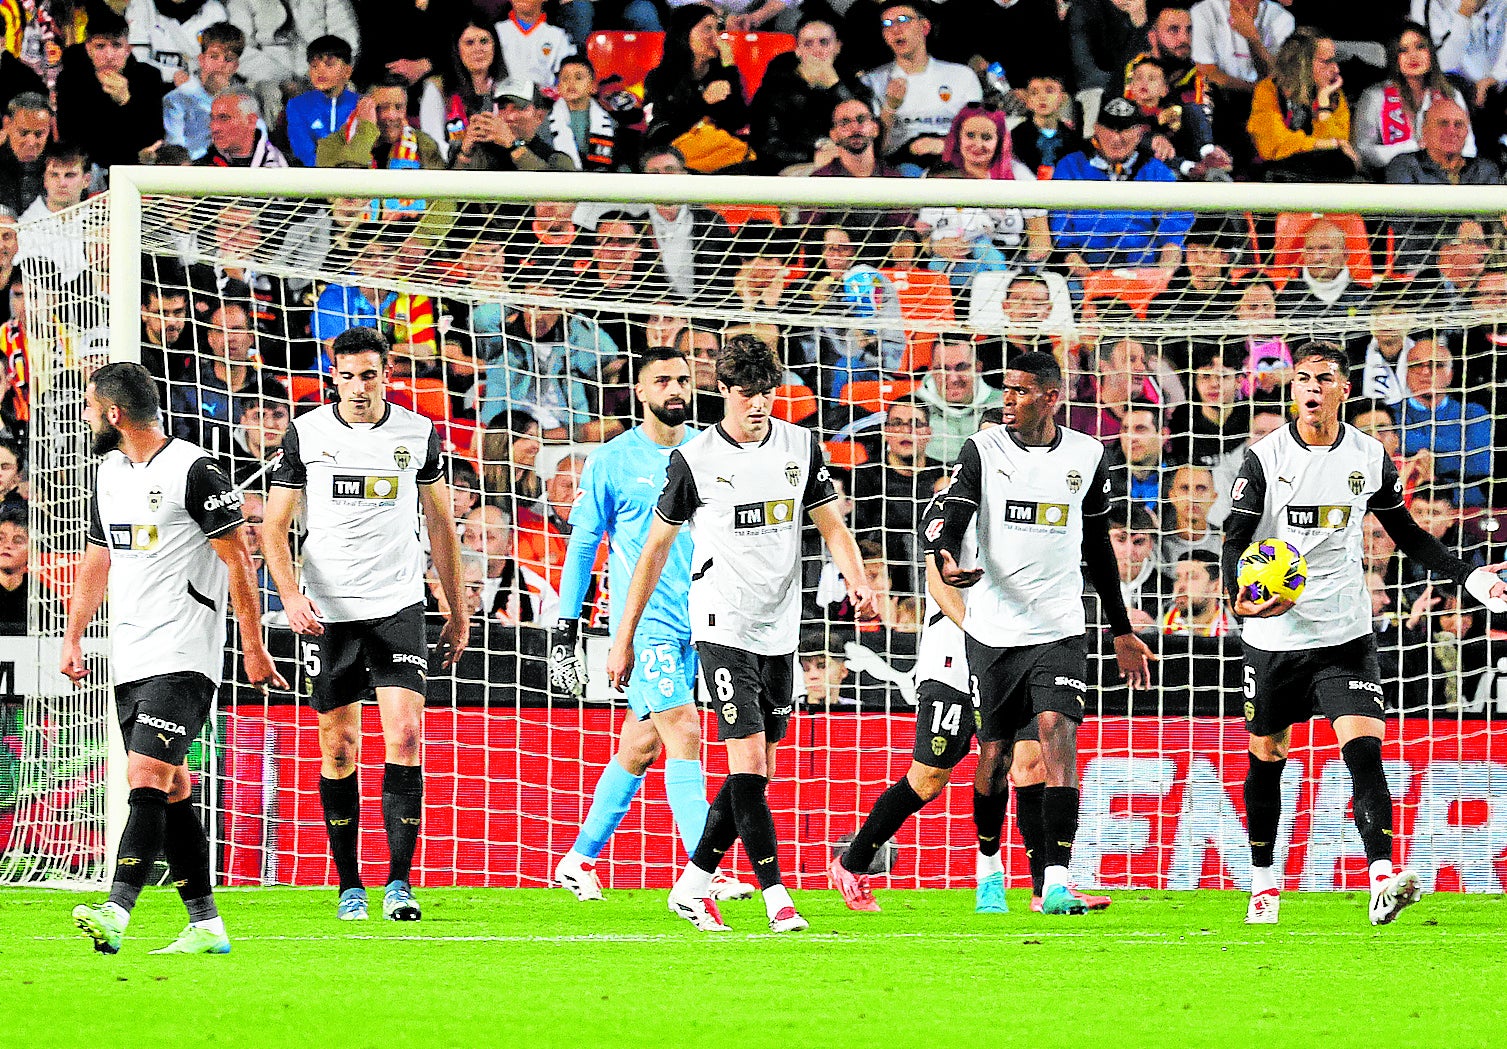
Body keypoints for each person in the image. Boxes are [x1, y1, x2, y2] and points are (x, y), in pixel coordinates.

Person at [1222, 340, 1507, 926]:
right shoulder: (1265, 457)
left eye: (1324, 379)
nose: (1311, 388)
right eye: (1302, 378)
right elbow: (1234, 539)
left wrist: (1467, 573)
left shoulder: (1369, 455)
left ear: (1344, 390)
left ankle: (1382, 878)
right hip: (1275, 635)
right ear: (1292, 387)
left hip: (1345, 631)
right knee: (1267, 757)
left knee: (1365, 752)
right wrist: (1243, 600)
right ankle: (1264, 884)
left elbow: (1406, 533)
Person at [604, 334, 873, 933]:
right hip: (720, 621)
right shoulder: (695, 460)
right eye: (747, 393)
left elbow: (832, 526)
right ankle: (778, 898)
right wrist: (622, 637)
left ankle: (692, 883)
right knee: (747, 760)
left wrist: (859, 581)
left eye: (768, 393)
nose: (759, 405)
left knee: (757, 773)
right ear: (723, 391)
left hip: (779, 625)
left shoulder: (801, 446)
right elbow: (652, 552)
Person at [63, 362, 285, 955]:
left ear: (113, 414)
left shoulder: (194, 469)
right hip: (130, 651)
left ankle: (116, 911)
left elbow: (238, 558)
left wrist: (254, 647)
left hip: (186, 649)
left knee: (146, 776)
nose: (86, 416)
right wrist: (74, 634)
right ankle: (206, 924)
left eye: (89, 406)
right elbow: (97, 557)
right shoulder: (107, 473)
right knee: (176, 786)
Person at [928, 350, 1154, 915]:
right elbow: (954, 511)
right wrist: (946, 555)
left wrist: (1121, 629)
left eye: (1018, 392)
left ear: (1050, 397)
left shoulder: (1087, 455)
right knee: (997, 753)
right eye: (1003, 390)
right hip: (993, 626)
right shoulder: (982, 449)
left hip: (1058, 625)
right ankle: (987, 868)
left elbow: (1096, 545)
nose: (1006, 400)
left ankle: (1055, 879)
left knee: (1056, 731)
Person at [262, 327, 468, 922]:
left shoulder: (418, 433)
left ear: (387, 373)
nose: (358, 387)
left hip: (398, 604)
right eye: (347, 375)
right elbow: (275, 528)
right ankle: (351, 883)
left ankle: (399, 883)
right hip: (328, 613)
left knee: (405, 737)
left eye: (369, 375)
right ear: (333, 376)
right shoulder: (305, 434)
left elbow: (442, 527)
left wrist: (455, 607)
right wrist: (291, 595)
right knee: (340, 746)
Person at [549, 348, 753, 903]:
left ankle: (578, 859)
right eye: (662, 380)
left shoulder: (713, 451)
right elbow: (585, 543)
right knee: (685, 732)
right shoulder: (613, 461)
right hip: (648, 626)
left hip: (708, 619)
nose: (675, 389)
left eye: (684, 379)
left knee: (640, 746)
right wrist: (566, 629)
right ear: (639, 392)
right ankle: (703, 871)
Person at [1049, 97, 1193, 274]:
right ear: (1096, 129)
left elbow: (1173, 236)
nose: (1117, 138)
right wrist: (1092, 282)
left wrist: (1161, 278)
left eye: (1125, 129)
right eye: (1110, 129)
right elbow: (1062, 238)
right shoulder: (1070, 166)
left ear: (1139, 133)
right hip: (1084, 267)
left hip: (1143, 267)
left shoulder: (1155, 171)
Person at [861, 2, 981, 176]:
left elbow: (980, 131)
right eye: (887, 24)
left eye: (903, 20)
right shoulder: (873, 81)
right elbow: (872, 147)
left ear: (924, 27)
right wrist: (890, 107)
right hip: (898, 168)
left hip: (953, 163)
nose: (896, 29)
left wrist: (944, 144)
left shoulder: (961, 75)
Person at [749, 17, 869, 174]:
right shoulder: (776, 86)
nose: (817, 50)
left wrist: (835, 86)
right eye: (808, 44)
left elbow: (867, 130)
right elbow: (766, 143)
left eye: (824, 42)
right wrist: (813, 155)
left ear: (837, 47)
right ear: (798, 50)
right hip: (793, 168)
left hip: (847, 163)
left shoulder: (851, 83)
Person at [1355, 23, 1476, 177]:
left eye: (1420, 47)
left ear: (1430, 53)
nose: (1413, 56)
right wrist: (1415, 148)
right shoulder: (1375, 96)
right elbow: (1363, 150)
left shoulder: (1451, 94)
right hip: (1393, 180)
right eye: (1403, 50)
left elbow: (1469, 148)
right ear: (1394, 58)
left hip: (1445, 178)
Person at [54, 8, 166, 171]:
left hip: (134, 168)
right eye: (100, 46)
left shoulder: (149, 78)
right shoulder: (70, 80)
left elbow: (152, 139)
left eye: (116, 46)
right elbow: (71, 137)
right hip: (88, 169)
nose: (109, 55)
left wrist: (126, 102)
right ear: (88, 49)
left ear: (128, 49)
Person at [1247, 27, 1358, 181]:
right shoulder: (1269, 90)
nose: (1336, 69)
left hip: (1322, 174)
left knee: (1340, 163)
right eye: (1327, 62)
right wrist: (1325, 143)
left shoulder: (1334, 95)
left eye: (1335, 60)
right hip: (1280, 174)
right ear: (1302, 63)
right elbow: (1273, 146)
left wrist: (1324, 103)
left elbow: (1339, 149)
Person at [1398, 335, 1492, 506]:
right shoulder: (1390, 414)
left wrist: (1421, 459)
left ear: (1450, 375)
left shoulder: (1472, 413)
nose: (1425, 372)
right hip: (1406, 506)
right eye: (1416, 365)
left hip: (1463, 506)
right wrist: (1456, 448)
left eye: (1436, 365)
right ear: (1405, 374)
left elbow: (1479, 465)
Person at [643, 5, 749, 157]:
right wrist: (703, 102)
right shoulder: (659, 78)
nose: (716, 37)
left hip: (719, 155)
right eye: (707, 29)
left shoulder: (722, 73)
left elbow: (738, 122)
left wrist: (730, 69)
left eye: (717, 29)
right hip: (675, 159)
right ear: (684, 34)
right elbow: (660, 133)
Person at [162, 21, 246, 161]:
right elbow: (175, 151)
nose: (220, 65)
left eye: (228, 59)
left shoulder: (243, 101)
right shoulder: (177, 98)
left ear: (235, 66)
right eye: (214, 56)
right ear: (201, 59)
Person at [284, 35, 360, 169]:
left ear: (347, 71)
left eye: (329, 64)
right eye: (314, 66)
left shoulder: (361, 105)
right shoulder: (297, 106)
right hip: (312, 179)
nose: (320, 70)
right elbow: (303, 152)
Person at [196, 89, 289, 168]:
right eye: (212, 118)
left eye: (224, 118)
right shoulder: (198, 170)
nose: (214, 127)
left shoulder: (289, 166)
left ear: (251, 120)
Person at [1159, 550, 1234, 635]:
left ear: (1217, 587)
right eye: (1177, 578)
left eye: (1192, 577)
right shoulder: (1158, 626)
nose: (1180, 585)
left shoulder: (1236, 632)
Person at [0, 92, 51, 215]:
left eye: (39, 134)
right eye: (23, 133)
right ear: (7, 124)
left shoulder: (61, 158)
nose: (31, 143)